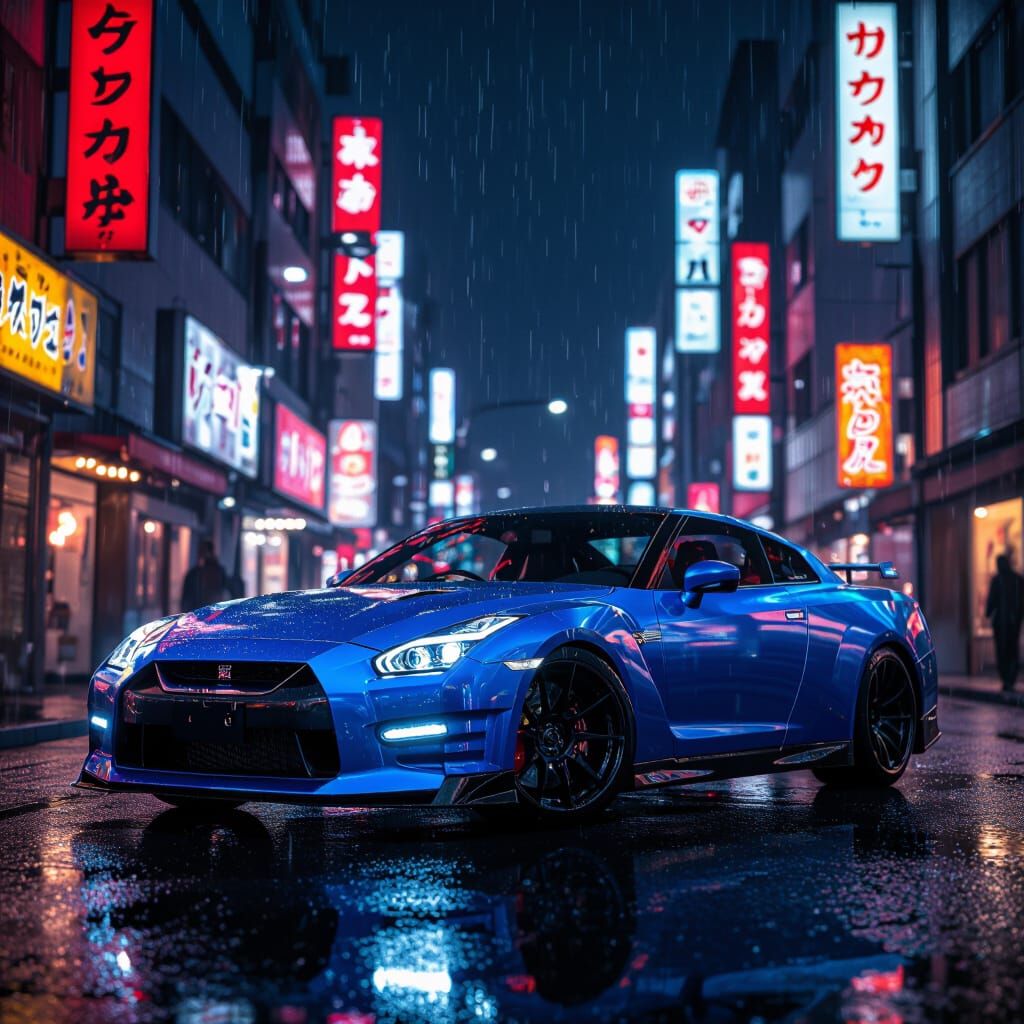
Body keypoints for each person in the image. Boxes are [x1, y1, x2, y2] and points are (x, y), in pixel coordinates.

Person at [986, 553, 1024, 691]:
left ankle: (1007, 678)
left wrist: (988, 613)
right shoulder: (1017, 579)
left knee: (1003, 651)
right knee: (1011, 650)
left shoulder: (998, 580)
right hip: (1013, 622)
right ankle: (1010, 678)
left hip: (1002, 623)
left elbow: (992, 601)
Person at [181, 540, 229, 611]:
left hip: (212, 609)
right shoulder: (194, 574)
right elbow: (187, 597)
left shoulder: (218, 572)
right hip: (199, 610)